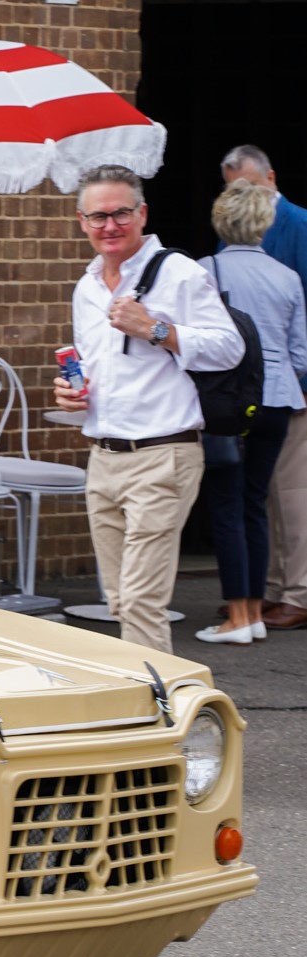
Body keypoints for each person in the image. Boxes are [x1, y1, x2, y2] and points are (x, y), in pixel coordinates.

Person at [53, 165, 244, 653]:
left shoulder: (178, 274)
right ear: (82, 221)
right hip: (104, 455)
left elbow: (229, 347)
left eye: (120, 213)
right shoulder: (87, 287)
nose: (110, 226)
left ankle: (162, 709)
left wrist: (157, 329)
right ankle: (152, 699)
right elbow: (99, 369)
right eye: (99, 216)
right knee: (119, 600)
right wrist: (73, 394)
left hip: (164, 456)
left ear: (142, 214)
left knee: (141, 601)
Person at [194, 182, 307, 643]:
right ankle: (256, 613)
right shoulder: (287, 277)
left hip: (228, 401)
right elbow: (300, 356)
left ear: (222, 220)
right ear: (262, 223)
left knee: (226, 505)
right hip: (279, 401)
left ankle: (237, 618)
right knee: (256, 505)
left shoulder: (206, 269)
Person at [221, 144, 307, 630]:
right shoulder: (231, 240)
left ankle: (298, 591)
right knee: (261, 495)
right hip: (250, 389)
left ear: (270, 178)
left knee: (293, 494)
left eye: (249, 186)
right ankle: (266, 590)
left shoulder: (299, 226)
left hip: (290, 386)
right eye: (234, 188)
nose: (243, 196)